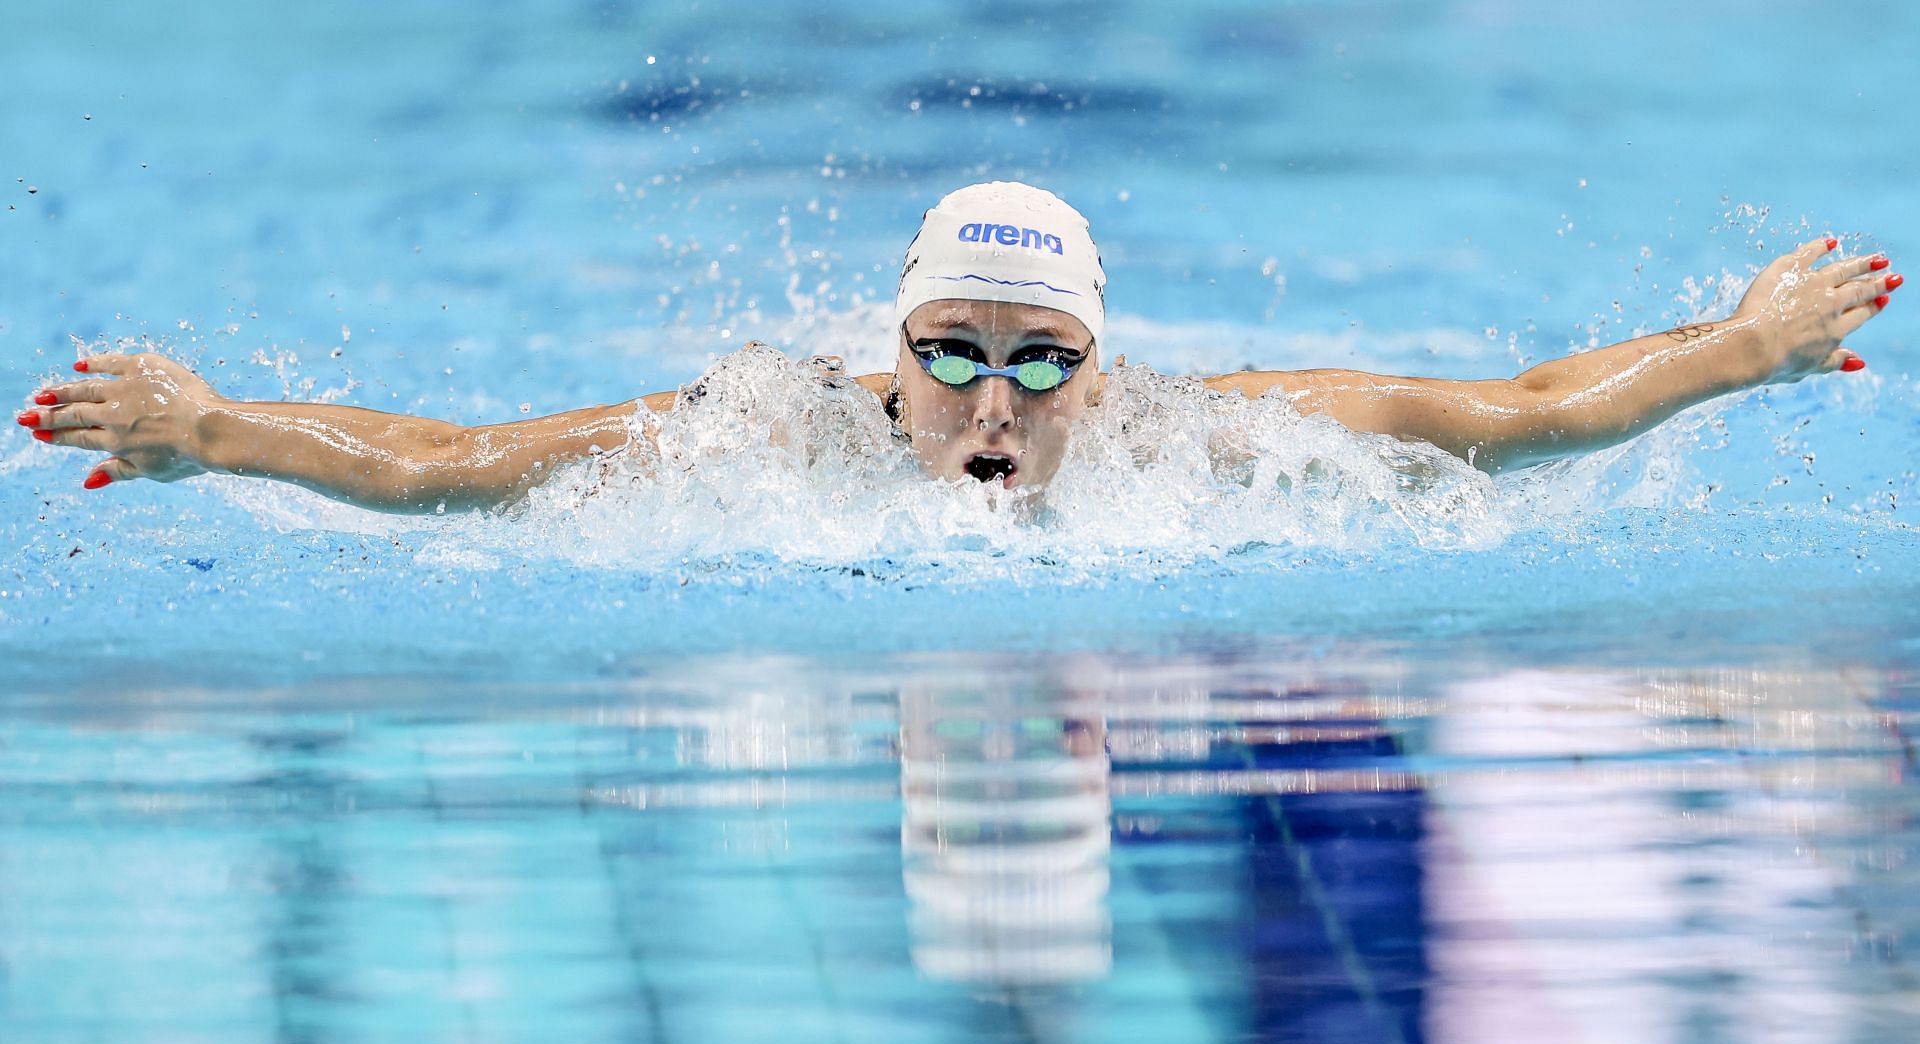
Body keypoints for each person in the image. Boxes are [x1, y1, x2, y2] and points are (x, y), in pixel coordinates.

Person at [15, 182, 1898, 510]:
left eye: (1044, 361)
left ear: (1105, 365)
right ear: (892, 354)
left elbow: (1513, 417)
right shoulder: (775, 437)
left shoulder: (1206, 444)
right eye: (958, 353)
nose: (996, 402)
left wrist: (1734, 350)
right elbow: (456, 461)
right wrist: (219, 429)